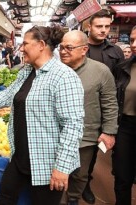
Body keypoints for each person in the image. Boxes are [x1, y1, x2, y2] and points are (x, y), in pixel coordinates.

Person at [0, 25, 84, 205]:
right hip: (20, 155)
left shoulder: (64, 77)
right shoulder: (26, 72)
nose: (21, 48)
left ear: (41, 45)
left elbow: (73, 125)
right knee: (6, 197)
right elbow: (9, 94)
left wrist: (61, 168)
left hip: (46, 161)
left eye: (25, 44)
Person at [59, 30, 118, 205]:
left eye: (69, 48)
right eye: (61, 47)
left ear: (84, 49)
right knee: (56, 171)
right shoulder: (54, 69)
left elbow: (110, 104)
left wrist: (109, 131)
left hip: (85, 136)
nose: (63, 51)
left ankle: (73, 198)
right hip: (56, 133)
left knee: (79, 173)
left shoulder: (100, 71)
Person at [83, 9, 124, 204]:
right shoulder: (78, 48)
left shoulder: (115, 52)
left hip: (106, 109)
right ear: (89, 27)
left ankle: (85, 183)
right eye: (99, 26)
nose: (104, 30)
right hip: (82, 108)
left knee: (93, 150)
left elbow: (121, 82)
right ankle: (76, 182)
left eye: (107, 26)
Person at [112, 26, 136, 205]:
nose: (133, 45)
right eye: (132, 40)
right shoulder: (125, 66)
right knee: (122, 176)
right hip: (125, 127)